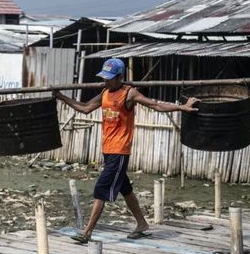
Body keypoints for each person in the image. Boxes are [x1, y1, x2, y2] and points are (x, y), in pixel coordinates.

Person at [53, 58, 198, 241]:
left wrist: (181, 107)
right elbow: (85, 108)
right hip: (108, 149)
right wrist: (61, 97)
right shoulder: (105, 92)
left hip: (120, 150)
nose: (106, 81)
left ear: (120, 77)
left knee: (101, 189)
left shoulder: (129, 94)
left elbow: (155, 105)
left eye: (110, 78)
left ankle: (87, 232)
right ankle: (142, 223)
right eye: (104, 78)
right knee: (125, 189)